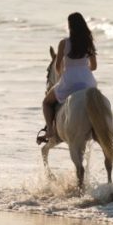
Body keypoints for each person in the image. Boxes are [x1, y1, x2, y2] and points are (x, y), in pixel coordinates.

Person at [37, 12, 98, 144]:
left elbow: (58, 66)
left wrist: (63, 76)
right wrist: (83, 68)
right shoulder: (89, 43)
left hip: (70, 81)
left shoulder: (64, 43)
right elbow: (94, 67)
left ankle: (50, 131)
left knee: (46, 102)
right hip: (88, 82)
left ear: (70, 26)